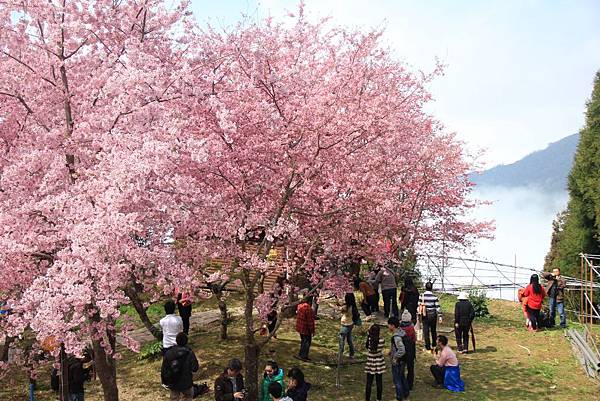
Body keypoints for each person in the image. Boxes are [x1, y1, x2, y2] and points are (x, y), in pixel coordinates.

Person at [161, 333, 199, 401]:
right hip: (186, 382)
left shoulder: (168, 353)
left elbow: (164, 369)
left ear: (176, 341)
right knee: (189, 396)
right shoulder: (189, 352)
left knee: (174, 398)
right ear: (186, 341)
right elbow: (195, 368)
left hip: (173, 382)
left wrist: (164, 382)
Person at [388, 316, 410, 401]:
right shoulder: (402, 332)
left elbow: (401, 350)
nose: (388, 327)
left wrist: (395, 357)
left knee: (397, 380)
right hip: (403, 360)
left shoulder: (396, 337)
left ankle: (399, 397)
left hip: (398, 361)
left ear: (393, 326)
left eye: (389, 325)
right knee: (402, 377)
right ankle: (406, 394)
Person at [365, 324, 385, 401]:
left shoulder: (369, 340)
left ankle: (367, 398)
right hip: (379, 362)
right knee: (379, 381)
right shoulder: (382, 340)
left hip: (370, 362)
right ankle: (378, 398)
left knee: (369, 382)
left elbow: (367, 346)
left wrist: (368, 334)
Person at [419, 282, 441, 351]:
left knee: (426, 331)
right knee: (433, 330)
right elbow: (437, 307)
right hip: (433, 315)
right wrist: (440, 316)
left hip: (425, 314)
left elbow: (419, 305)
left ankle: (428, 346)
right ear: (431, 288)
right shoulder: (434, 297)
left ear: (425, 287)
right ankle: (434, 345)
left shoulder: (422, 296)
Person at [337, 292, 360, 359]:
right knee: (349, 339)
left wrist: (329, 303)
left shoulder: (346, 307)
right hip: (351, 324)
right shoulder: (353, 306)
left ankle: (340, 355)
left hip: (345, 325)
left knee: (342, 340)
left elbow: (339, 309)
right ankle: (352, 354)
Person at [399, 310, 416, 391]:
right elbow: (414, 339)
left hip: (401, 350)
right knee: (410, 368)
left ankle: (401, 383)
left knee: (401, 368)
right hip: (410, 350)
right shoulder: (411, 328)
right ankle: (410, 384)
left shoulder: (399, 328)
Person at [295, 295, 316, 361]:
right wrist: (312, 330)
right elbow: (310, 321)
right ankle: (304, 356)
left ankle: (301, 354)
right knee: (307, 342)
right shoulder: (308, 308)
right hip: (305, 329)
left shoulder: (299, 306)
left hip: (300, 327)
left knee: (303, 341)